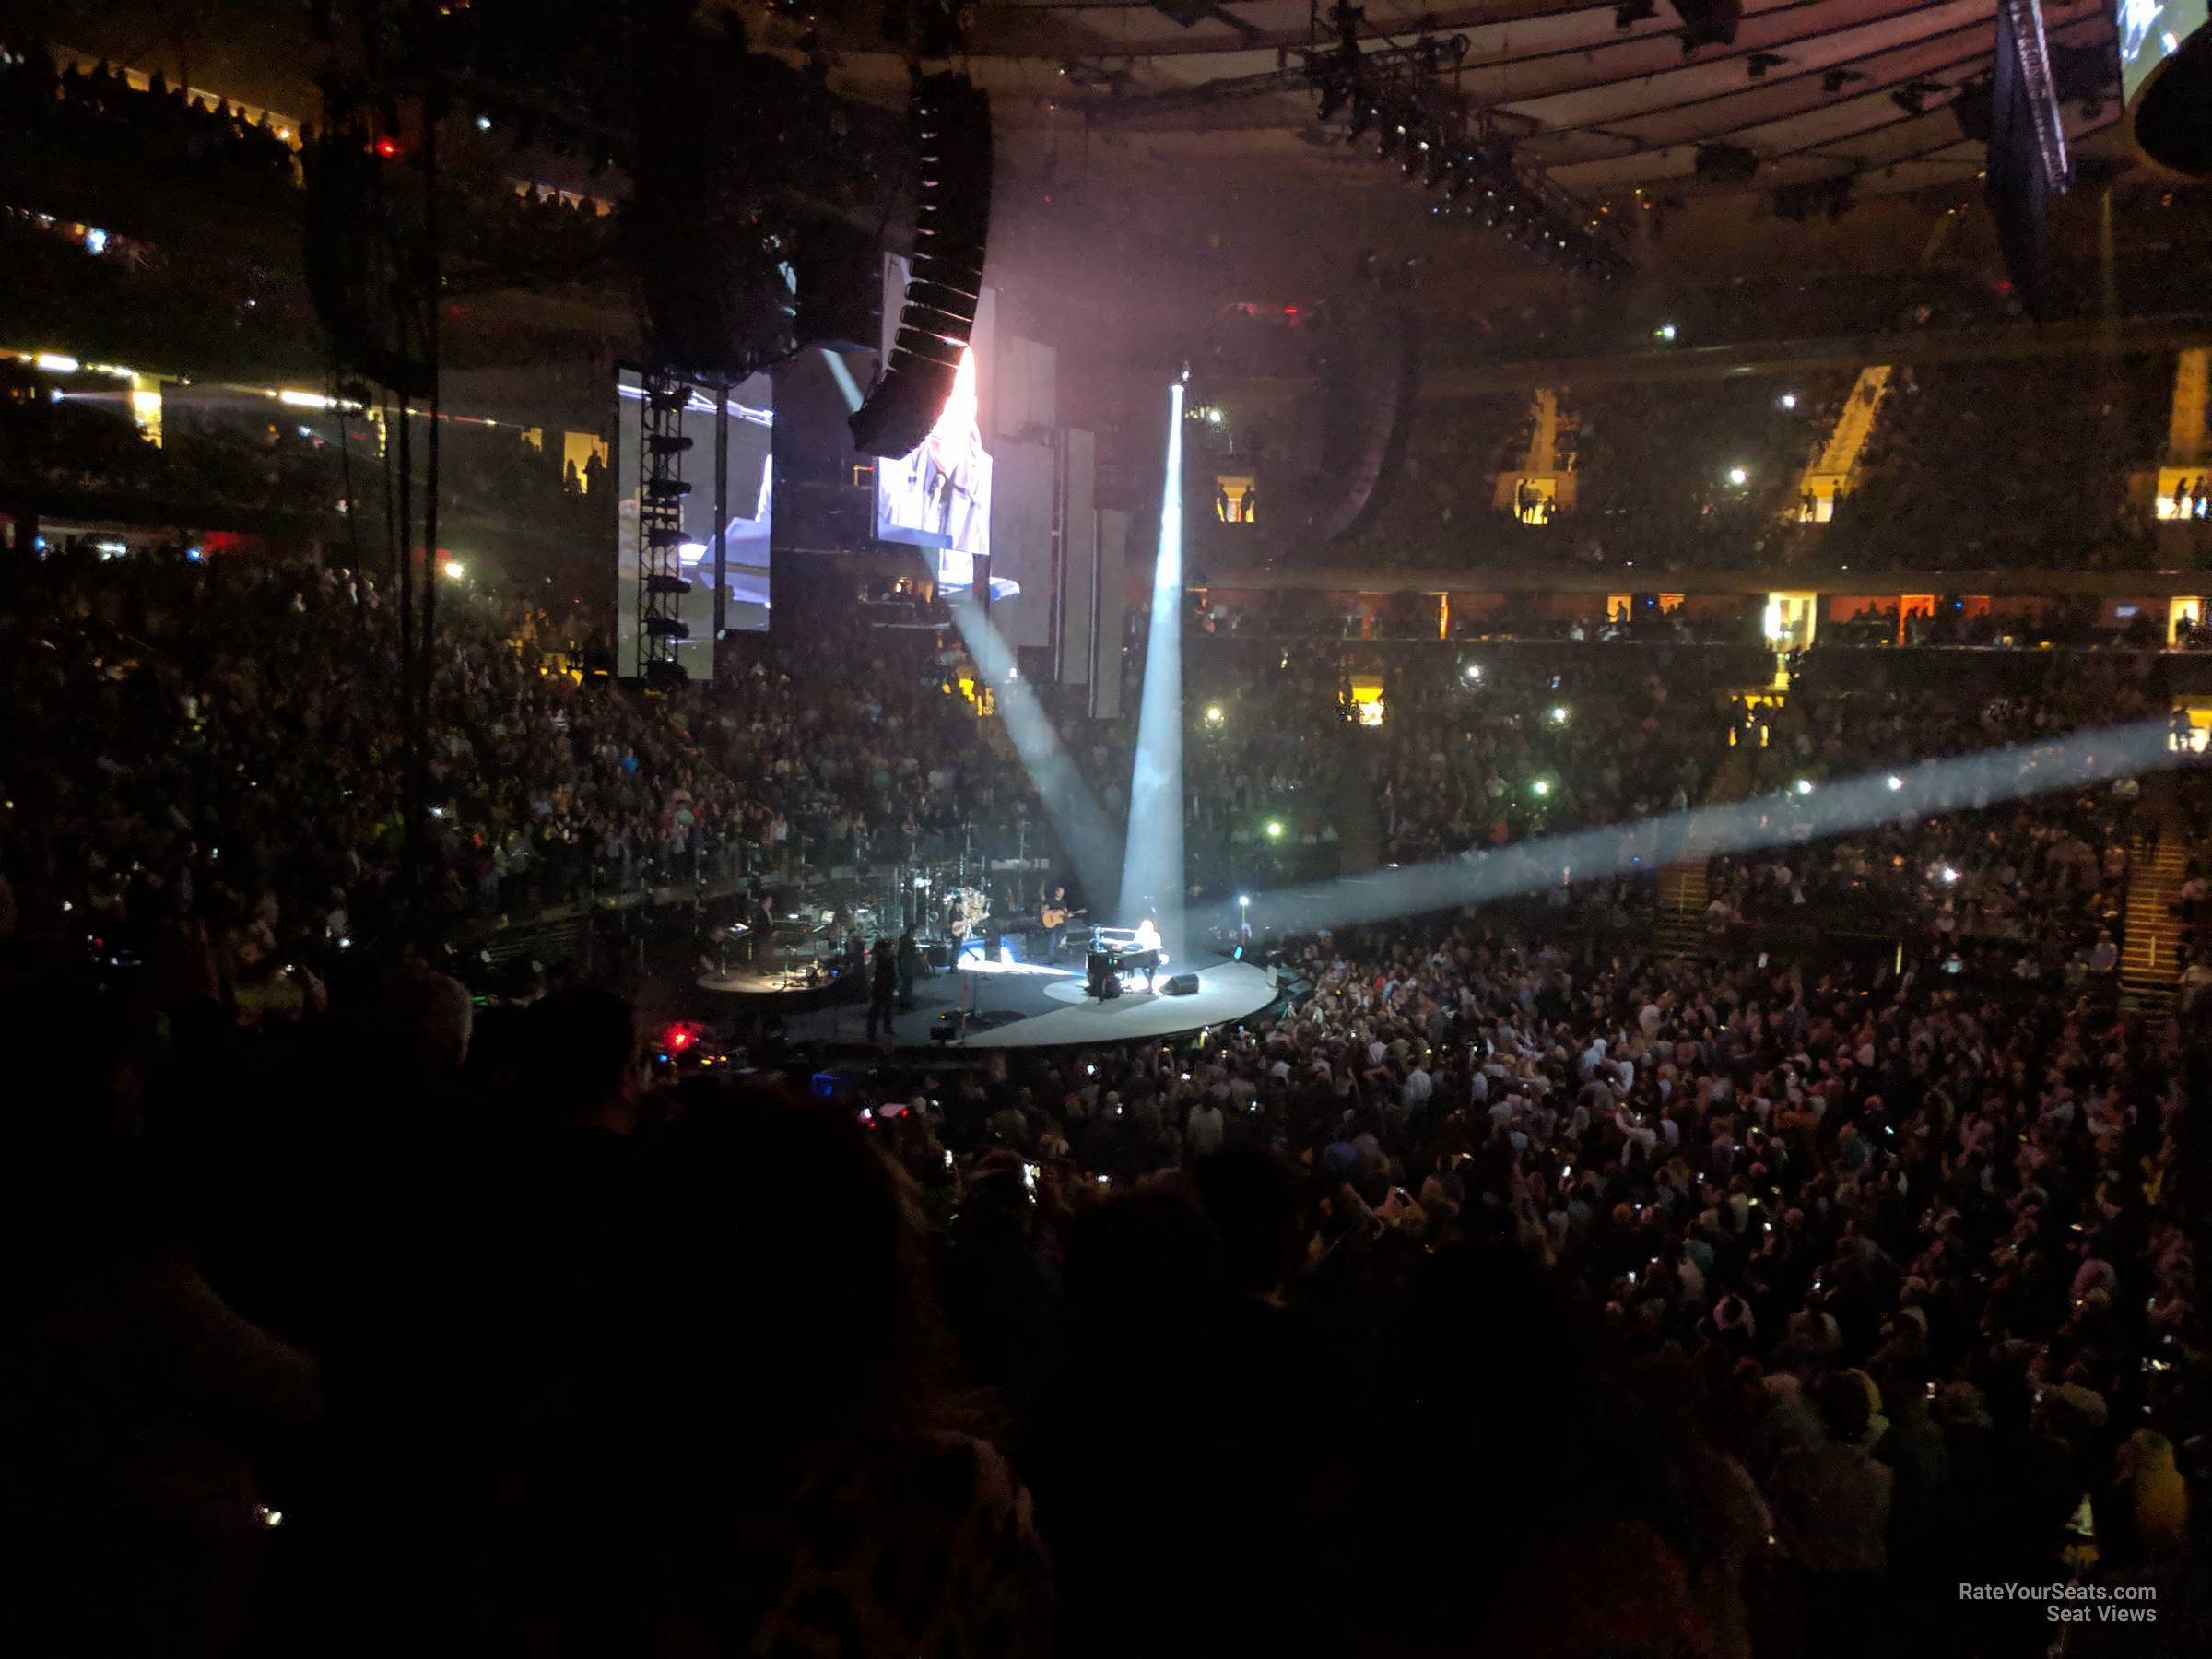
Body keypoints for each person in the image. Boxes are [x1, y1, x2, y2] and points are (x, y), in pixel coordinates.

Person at [867, 936, 900, 1040]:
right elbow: (896, 945)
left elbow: (870, 970)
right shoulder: (889, 955)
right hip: (886, 985)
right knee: (886, 1008)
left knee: (877, 1009)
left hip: (880, 985)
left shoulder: (878, 956)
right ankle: (885, 1029)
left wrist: (869, 984)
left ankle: (872, 1032)